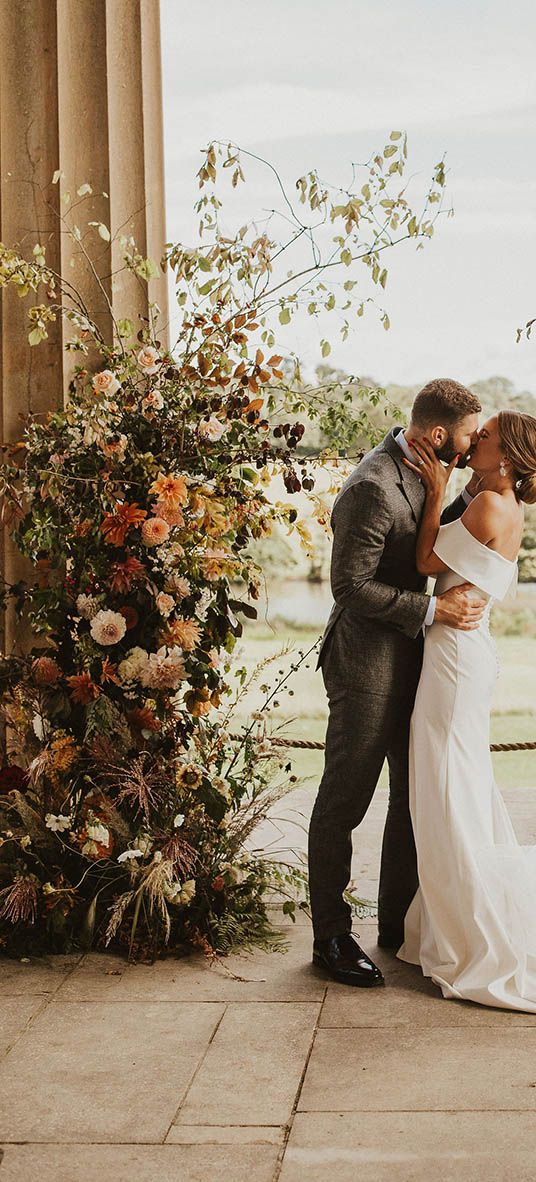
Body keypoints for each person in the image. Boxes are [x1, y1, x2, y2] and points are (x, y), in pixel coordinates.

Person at [308, 379, 485, 987]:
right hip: (364, 665)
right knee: (345, 801)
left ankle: (395, 926)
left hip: (414, 661)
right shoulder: (371, 487)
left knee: (412, 799)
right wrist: (434, 612)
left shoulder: (430, 472)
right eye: (467, 439)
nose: (470, 446)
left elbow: (425, 544)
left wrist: (486, 489)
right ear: (438, 437)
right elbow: (350, 587)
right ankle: (330, 936)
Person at [397, 409, 536, 1011]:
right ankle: (450, 922)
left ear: (505, 457)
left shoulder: (487, 506)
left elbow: (428, 563)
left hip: (454, 655)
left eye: (483, 437)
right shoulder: (505, 503)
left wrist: (436, 491)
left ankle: (470, 938)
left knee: (447, 790)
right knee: (458, 788)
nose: (470, 441)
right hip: (462, 650)